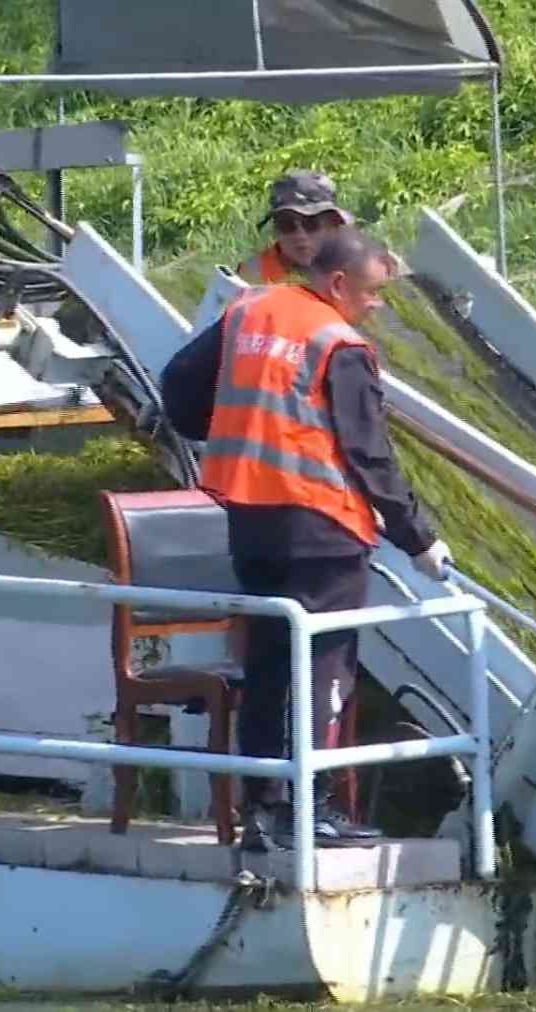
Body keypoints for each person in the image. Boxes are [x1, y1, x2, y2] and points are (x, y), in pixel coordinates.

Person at [162, 228, 454, 852]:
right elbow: (370, 455)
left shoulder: (250, 310)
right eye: (374, 293)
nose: (378, 306)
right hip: (324, 530)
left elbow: (181, 385)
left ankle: (264, 809)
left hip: (251, 522)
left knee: (266, 665)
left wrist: (218, 430)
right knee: (325, 670)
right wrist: (419, 539)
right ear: (340, 283)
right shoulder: (339, 344)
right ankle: (312, 812)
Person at [236, 171, 352, 287]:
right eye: (287, 225)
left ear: (333, 224)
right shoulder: (251, 276)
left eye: (311, 223)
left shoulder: (357, 269)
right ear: (276, 230)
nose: (300, 235)